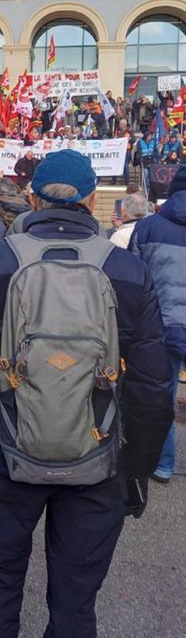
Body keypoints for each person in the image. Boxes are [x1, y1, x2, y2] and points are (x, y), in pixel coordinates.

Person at [0, 148, 173, 638]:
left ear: (34, 197)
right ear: (91, 199)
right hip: (96, 458)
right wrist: (137, 470)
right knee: (74, 601)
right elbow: (152, 385)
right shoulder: (126, 269)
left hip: (9, 452)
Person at [129, 164, 186, 484]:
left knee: (162, 396)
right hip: (165, 323)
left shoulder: (148, 227)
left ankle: (163, 463)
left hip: (162, 325)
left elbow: (133, 279)